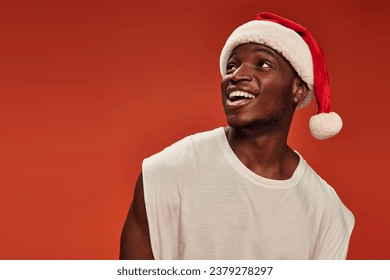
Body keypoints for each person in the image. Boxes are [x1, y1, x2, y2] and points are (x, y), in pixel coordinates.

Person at [120, 12, 354, 260]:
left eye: (263, 64)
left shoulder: (326, 212)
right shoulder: (164, 174)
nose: (236, 75)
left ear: (298, 89)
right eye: (231, 66)